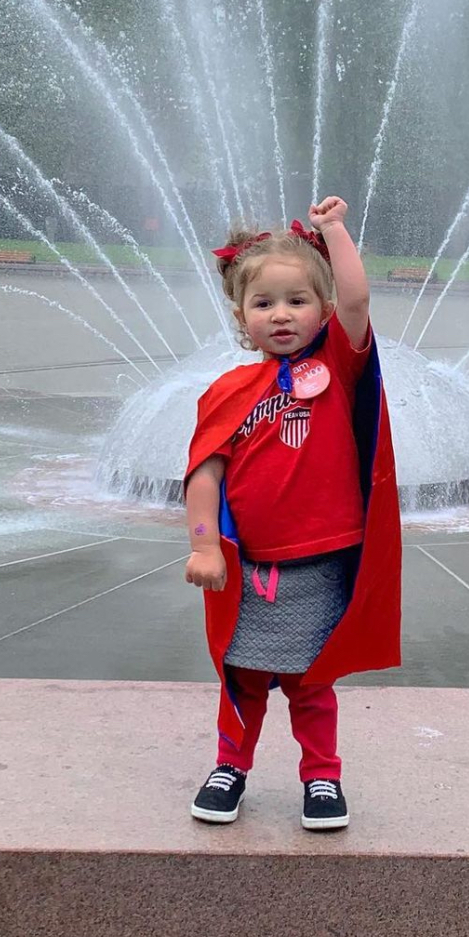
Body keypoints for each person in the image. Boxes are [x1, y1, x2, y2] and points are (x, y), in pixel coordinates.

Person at [182, 196, 401, 831]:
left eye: (297, 301)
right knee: (242, 678)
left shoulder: (337, 362)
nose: (281, 315)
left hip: (322, 560)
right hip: (246, 567)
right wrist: (203, 546)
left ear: (323, 310)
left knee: (312, 682)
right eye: (264, 303)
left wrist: (334, 232)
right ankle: (231, 766)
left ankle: (322, 778)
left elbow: (359, 302)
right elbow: (204, 474)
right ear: (240, 315)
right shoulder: (226, 392)